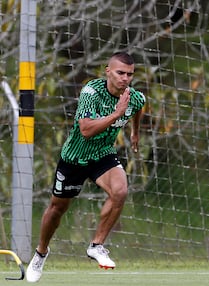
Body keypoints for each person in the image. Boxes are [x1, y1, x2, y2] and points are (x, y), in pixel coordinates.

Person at [26, 52, 146, 283]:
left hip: (103, 155)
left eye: (130, 74)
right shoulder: (92, 91)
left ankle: (97, 245)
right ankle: (41, 253)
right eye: (120, 73)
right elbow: (87, 130)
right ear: (107, 71)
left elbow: (139, 106)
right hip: (75, 158)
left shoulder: (133, 97)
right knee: (56, 209)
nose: (125, 78)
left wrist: (135, 132)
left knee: (120, 191)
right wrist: (117, 113)